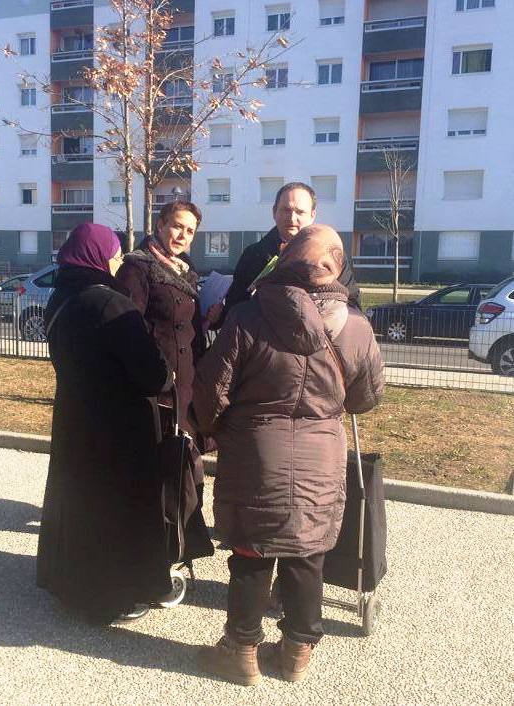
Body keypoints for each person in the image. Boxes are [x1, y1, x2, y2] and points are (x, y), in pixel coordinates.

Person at [191, 225, 384, 685]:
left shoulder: (247, 316)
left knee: (251, 552)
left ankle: (240, 652)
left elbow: (211, 391)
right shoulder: (356, 327)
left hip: (256, 452)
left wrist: (216, 428)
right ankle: (297, 652)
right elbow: (366, 398)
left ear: (286, 260)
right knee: (307, 552)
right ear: (337, 269)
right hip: (322, 454)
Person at [37, 222, 174, 624]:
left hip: (74, 417)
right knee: (115, 509)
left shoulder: (60, 298)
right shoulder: (112, 305)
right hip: (117, 426)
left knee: (77, 501)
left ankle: (69, 584)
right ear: (97, 256)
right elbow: (152, 375)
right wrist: (169, 373)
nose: (117, 262)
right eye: (114, 254)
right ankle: (111, 595)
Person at [117, 200, 222, 439]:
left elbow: (185, 322)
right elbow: (129, 330)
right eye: (177, 226)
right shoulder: (137, 267)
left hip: (187, 381)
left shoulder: (186, 269)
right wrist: (160, 373)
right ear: (160, 225)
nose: (183, 236)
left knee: (182, 453)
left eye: (190, 231)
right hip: (158, 385)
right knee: (161, 453)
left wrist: (210, 318)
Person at [220, 182, 361, 323]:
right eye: (286, 210)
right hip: (262, 334)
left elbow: (353, 305)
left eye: (300, 212)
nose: (292, 218)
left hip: (317, 334)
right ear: (274, 212)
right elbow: (234, 306)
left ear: (312, 215)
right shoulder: (252, 255)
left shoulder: (332, 256)